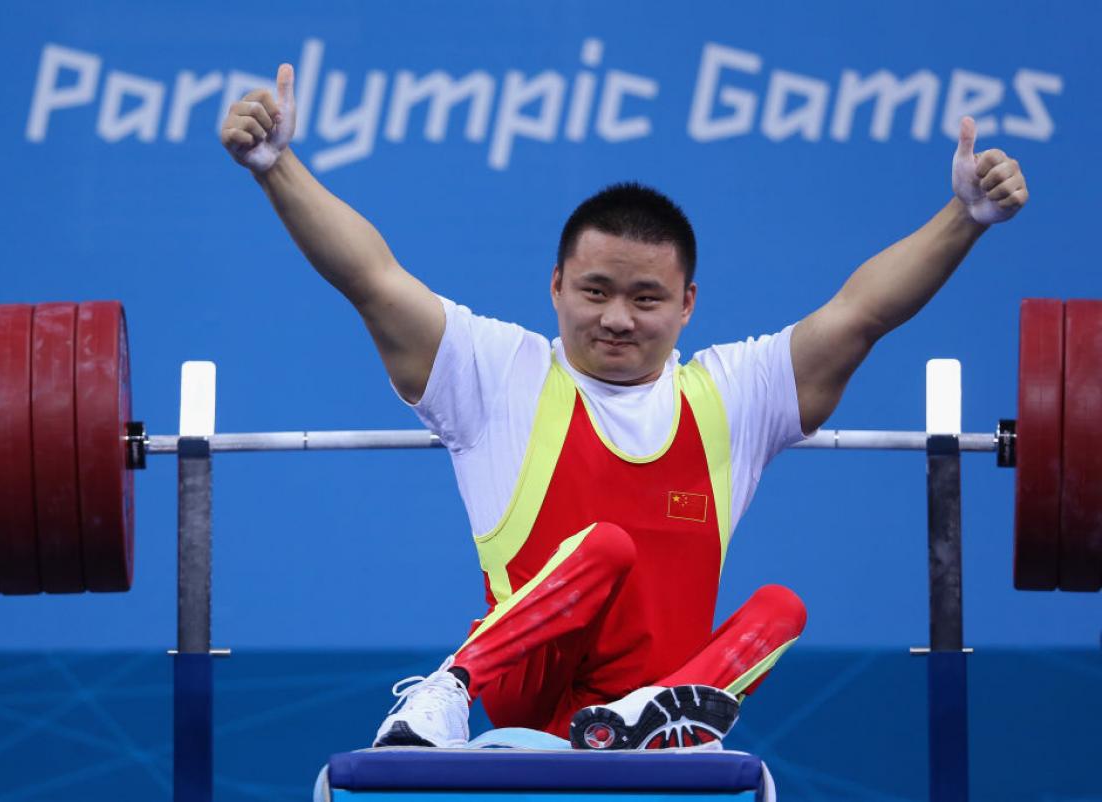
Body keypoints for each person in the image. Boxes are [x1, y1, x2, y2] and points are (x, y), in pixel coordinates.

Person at [220, 64, 1028, 751]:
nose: (617, 317)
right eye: (596, 291)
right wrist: (275, 166)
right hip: (527, 697)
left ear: (687, 305)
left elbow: (861, 313)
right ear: (556, 288)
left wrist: (967, 219)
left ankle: (655, 718)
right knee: (606, 546)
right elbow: (372, 277)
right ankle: (447, 692)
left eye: (647, 298)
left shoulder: (732, 395)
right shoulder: (497, 372)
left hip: (655, 712)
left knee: (783, 609)